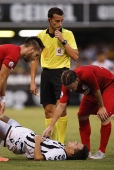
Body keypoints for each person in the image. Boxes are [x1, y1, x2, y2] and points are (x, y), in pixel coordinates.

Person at [42, 65, 114, 159]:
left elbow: (97, 91)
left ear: (77, 80)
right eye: (68, 88)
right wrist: (51, 125)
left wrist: (102, 107)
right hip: (91, 91)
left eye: (71, 87)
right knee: (82, 115)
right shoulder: (66, 84)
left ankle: (101, 152)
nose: (70, 90)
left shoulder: (87, 74)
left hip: (108, 85)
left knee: (104, 116)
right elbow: (61, 105)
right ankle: (87, 151)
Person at [30, 7, 79, 144]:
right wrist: (32, 81)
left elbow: (75, 56)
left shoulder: (68, 34)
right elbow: (34, 59)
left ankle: (61, 143)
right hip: (46, 74)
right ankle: (51, 143)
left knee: (61, 109)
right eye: (57, 21)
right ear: (49, 20)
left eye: (62, 21)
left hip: (62, 74)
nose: (60, 24)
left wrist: (63, 41)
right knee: (48, 111)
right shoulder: (40, 36)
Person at [0, 115, 88, 161]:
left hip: (19, 140)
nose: (75, 141)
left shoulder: (60, 153)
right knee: (4, 118)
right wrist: (46, 137)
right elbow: (45, 146)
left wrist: (37, 141)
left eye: (77, 144)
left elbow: (38, 158)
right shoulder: (62, 148)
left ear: (72, 152)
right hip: (24, 133)